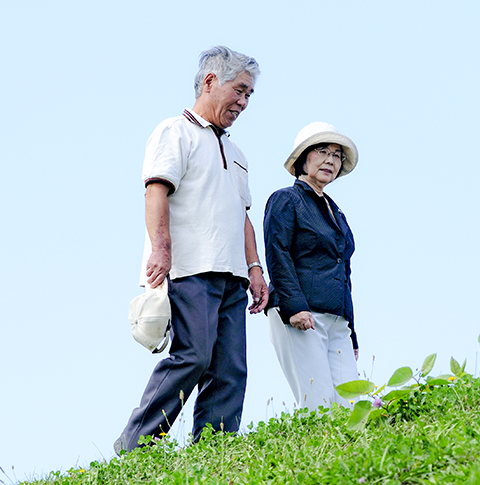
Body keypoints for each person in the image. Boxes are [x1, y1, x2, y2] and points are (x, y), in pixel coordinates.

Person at [114, 46, 268, 454]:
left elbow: (243, 214)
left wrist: (255, 268)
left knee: (230, 369)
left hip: (233, 273)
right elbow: (156, 190)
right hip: (191, 267)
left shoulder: (237, 153)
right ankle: (135, 444)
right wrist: (160, 249)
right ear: (210, 82)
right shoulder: (174, 130)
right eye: (239, 90)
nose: (244, 102)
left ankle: (213, 454)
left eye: (250, 94)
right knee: (194, 356)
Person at [263, 121, 360, 411]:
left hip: (337, 320)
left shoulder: (336, 212)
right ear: (303, 158)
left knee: (352, 406)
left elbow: (344, 273)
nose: (331, 159)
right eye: (322, 151)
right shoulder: (286, 199)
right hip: (302, 313)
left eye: (337, 154)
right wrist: (294, 307)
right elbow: (277, 253)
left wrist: (352, 331)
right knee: (319, 404)